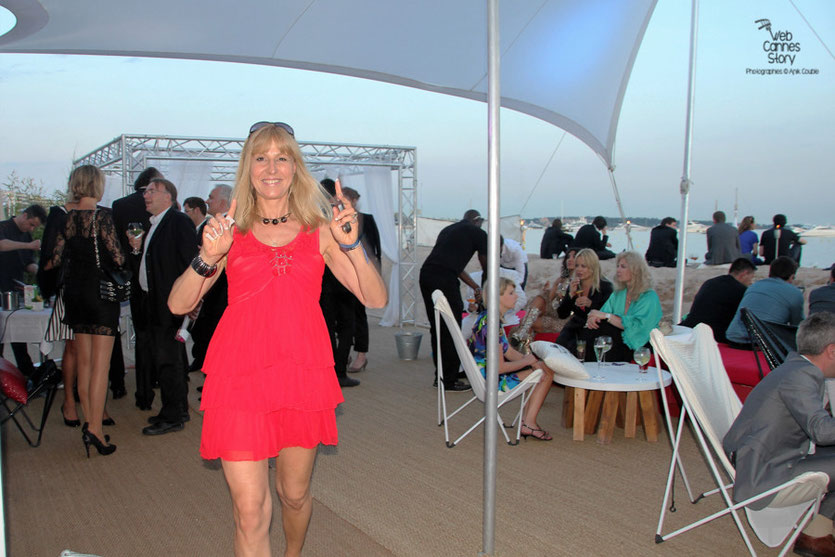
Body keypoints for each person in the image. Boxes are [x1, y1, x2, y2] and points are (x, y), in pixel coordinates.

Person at [167, 121, 386, 557]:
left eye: (281, 157)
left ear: (295, 167)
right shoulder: (229, 230)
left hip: (301, 375)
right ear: (248, 168)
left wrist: (354, 245)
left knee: (294, 495)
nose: (271, 167)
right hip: (238, 376)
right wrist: (207, 258)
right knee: (250, 511)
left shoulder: (320, 229)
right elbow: (177, 304)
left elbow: (374, 298)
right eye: (261, 157)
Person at [723, 312, 835, 557]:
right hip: (763, 473)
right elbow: (822, 432)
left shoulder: (795, 369)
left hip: (765, 458)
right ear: (831, 351)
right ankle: (816, 537)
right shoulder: (800, 378)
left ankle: (818, 534)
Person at [44, 165, 125, 456]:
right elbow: (117, 257)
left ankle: (90, 424)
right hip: (100, 296)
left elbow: (55, 258)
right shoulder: (102, 217)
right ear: (97, 185)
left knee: (85, 364)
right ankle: (94, 429)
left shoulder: (68, 219)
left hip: (75, 296)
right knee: (100, 368)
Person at [128, 178, 198, 435]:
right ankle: (177, 409)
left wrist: (190, 299)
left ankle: (173, 415)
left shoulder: (177, 221)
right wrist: (136, 250)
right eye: (144, 191)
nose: (145, 195)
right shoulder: (154, 224)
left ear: (168, 196)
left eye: (151, 191)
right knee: (168, 360)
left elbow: (190, 262)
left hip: (171, 304)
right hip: (154, 302)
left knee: (168, 361)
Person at [467, 277, 555, 440]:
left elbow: (507, 352)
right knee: (547, 372)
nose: (516, 296)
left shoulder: (488, 318)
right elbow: (499, 368)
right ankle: (529, 424)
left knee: (541, 368)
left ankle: (527, 422)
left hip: (481, 378)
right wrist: (527, 361)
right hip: (492, 384)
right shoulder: (491, 325)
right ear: (498, 297)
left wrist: (533, 361)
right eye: (511, 293)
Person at [419, 209, 487, 391]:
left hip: (426, 275)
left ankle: (441, 376)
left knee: (438, 327)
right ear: (478, 221)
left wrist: (475, 287)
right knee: (451, 327)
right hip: (444, 279)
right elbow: (486, 264)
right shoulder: (479, 233)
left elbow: (454, 266)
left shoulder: (449, 230)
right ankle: (448, 380)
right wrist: (485, 288)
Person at [112, 166, 162, 410]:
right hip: (160, 281)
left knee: (140, 334)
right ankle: (157, 379)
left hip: (129, 277)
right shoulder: (166, 204)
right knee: (161, 333)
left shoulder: (119, 205)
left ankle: (133, 390)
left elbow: (114, 247)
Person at [38, 196, 82, 427]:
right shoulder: (59, 215)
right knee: (73, 348)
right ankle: (69, 402)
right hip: (72, 290)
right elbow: (49, 260)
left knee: (91, 352)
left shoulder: (100, 214)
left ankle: (93, 405)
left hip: (92, 292)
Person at [318, 179, 360, 388]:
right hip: (340, 278)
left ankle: (328, 371)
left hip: (321, 279)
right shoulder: (340, 214)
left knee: (326, 328)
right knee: (345, 327)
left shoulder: (312, 216)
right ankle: (339, 372)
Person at [585, 251, 663, 362]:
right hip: (616, 341)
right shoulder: (619, 293)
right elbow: (603, 313)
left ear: (635, 270)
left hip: (638, 343)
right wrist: (593, 319)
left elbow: (638, 327)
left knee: (604, 332)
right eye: (617, 266)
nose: (618, 270)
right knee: (593, 330)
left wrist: (607, 316)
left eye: (623, 267)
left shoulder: (649, 296)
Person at [188, 184, 232, 374]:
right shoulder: (207, 226)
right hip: (210, 295)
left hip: (224, 298)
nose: (207, 201)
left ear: (223, 202)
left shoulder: (235, 228)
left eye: (210, 197)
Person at [0, 204, 46, 378]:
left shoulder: (26, 236)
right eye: (31, 224)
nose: (32, 229)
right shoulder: (3, 227)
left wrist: (38, 270)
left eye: (35, 227)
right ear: (25, 215)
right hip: (1, 287)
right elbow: (2, 245)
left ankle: (26, 371)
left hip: (15, 288)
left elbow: (28, 263)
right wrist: (28, 246)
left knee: (17, 332)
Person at [340, 187, 382, 373]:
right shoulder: (336, 219)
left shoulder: (367, 219)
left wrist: (375, 274)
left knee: (359, 315)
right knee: (342, 317)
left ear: (356, 200)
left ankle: (361, 355)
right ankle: (344, 352)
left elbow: (375, 248)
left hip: (362, 273)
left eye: (350, 199)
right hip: (341, 274)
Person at [725, 256, 805, 347]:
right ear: (792, 276)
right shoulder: (794, 292)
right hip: (761, 343)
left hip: (733, 338)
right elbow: (798, 325)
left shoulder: (754, 286)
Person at [510, 247, 578, 350]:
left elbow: (567, 307)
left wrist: (564, 296)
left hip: (565, 319)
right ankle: (524, 347)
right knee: (541, 298)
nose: (570, 259)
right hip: (554, 312)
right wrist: (552, 290)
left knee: (528, 322)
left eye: (574, 257)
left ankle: (522, 339)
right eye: (568, 257)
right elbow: (552, 302)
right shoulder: (561, 280)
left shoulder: (579, 281)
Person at [679, 257, 756, 343]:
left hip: (690, 328)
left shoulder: (710, 283)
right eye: (751, 278)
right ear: (744, 274)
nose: (751, 282)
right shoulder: (740, 290)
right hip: (713, 336)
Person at [555, 248, 613, 354]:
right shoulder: (575, 285)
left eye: (583, 266)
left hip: (595, 328)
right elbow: (562, 314)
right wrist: (570, 295)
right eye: (577, 266)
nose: (579, 270)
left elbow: (608, 313)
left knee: (578, 347)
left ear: (592, 267)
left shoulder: (605, 287)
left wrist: (591, 304)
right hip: (575, 327)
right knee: (560, 347)